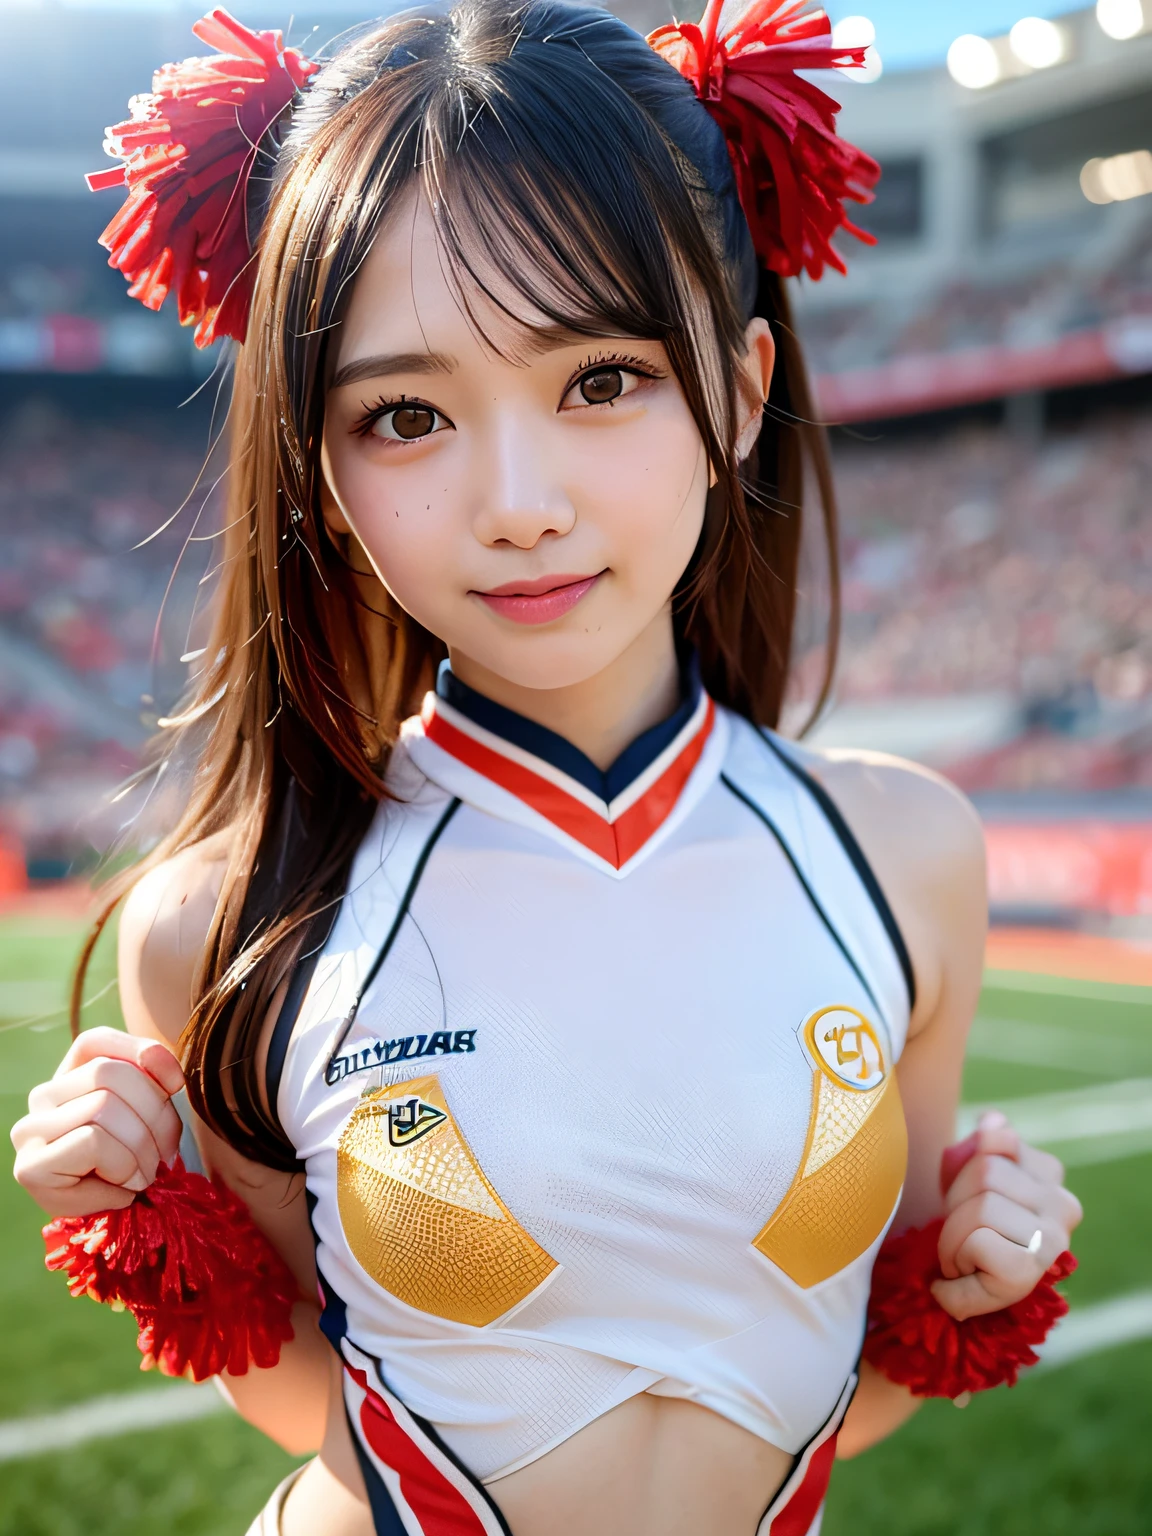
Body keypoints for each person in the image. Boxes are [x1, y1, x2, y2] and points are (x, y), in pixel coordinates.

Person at [11, 4, 1082, 1534]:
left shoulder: (907, 853)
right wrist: (133, 1216)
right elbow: (311, 1391)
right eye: (407, 416)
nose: (519, 503)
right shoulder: (230, 918)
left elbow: (850, 1386)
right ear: (320, 464)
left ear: (746, 383)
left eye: (602, 381)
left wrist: (982, 1277)